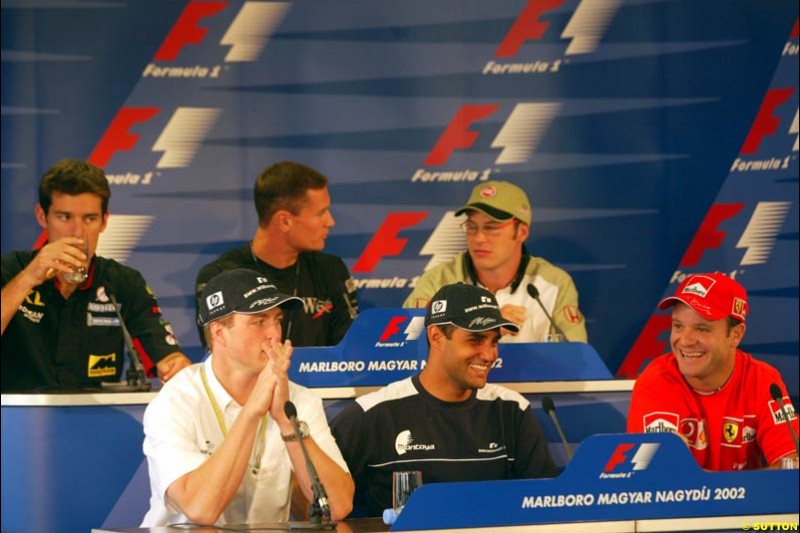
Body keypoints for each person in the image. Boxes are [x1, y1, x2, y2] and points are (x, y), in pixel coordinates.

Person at [142, 268, 354, 526]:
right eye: (259, 321)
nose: (274, 334)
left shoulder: (298, 400)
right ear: (219, 332)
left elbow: (338, 506)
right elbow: (201, 510)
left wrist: (288, 423)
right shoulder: (176, 402)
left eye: (277, 319)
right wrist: (252, 410)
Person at [331, 282, 557, 517]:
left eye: (494, 341)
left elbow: (544, 505)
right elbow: (321, 501)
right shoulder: (374, 412)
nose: (489, 355)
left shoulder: (511, 408)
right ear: (436, 337)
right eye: (475, 340)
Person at [1, 159, 190, 392]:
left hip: (95, 423)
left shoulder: (123, 284)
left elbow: (168, 359)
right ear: (42, 216)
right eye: (64, 217)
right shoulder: (10, 270)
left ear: (104, 221)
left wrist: (176, 367)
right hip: (14, 424)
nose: (78, 232)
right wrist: (29, 277)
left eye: (89, 219)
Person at [627, 272, 799, 470]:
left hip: (748, 501)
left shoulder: (764, 381)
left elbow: (791, 466)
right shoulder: (657, 381)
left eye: (702, 329)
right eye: (678, 326)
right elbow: (663, 474)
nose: (685, 340)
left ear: (735, 335)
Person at [196, 161, 358, 349]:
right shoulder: (220, 277)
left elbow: (347, 355)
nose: (330, 222)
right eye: (321, 213)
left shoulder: (331, 270)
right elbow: (222, 355)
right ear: (284, 221)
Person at [403, 180, 587, 343]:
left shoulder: (554, 284)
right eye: (472, 226)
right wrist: (482, 328)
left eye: (492, 228)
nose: (479, 238)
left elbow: (577, 360)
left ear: (521, 232)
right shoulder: (439, 281)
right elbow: (408, 344)